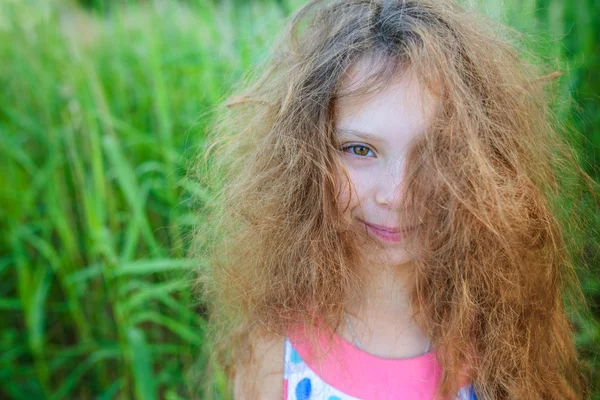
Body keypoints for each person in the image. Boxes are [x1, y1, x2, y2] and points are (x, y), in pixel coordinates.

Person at [190, 0, 594, 398]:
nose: (397, 195)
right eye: (359, 150)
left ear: (482, 164)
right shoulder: (274, 351)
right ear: (305, 157)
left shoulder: (503, 334)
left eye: (433, 153)